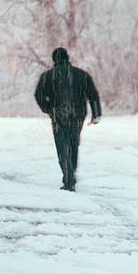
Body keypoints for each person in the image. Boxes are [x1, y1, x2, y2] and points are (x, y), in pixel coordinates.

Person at [34, 47, 102, 192]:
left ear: (54, 59)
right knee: (73, 144)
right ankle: (71, 174)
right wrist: (96, 113)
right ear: (67, 57)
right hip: (78, 114)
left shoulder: (48, 75)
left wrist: (49, 109)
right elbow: (93, 95)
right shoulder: (81, 74)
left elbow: (38, 95)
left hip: (59, 115)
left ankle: (68, 178)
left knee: (62, 147)